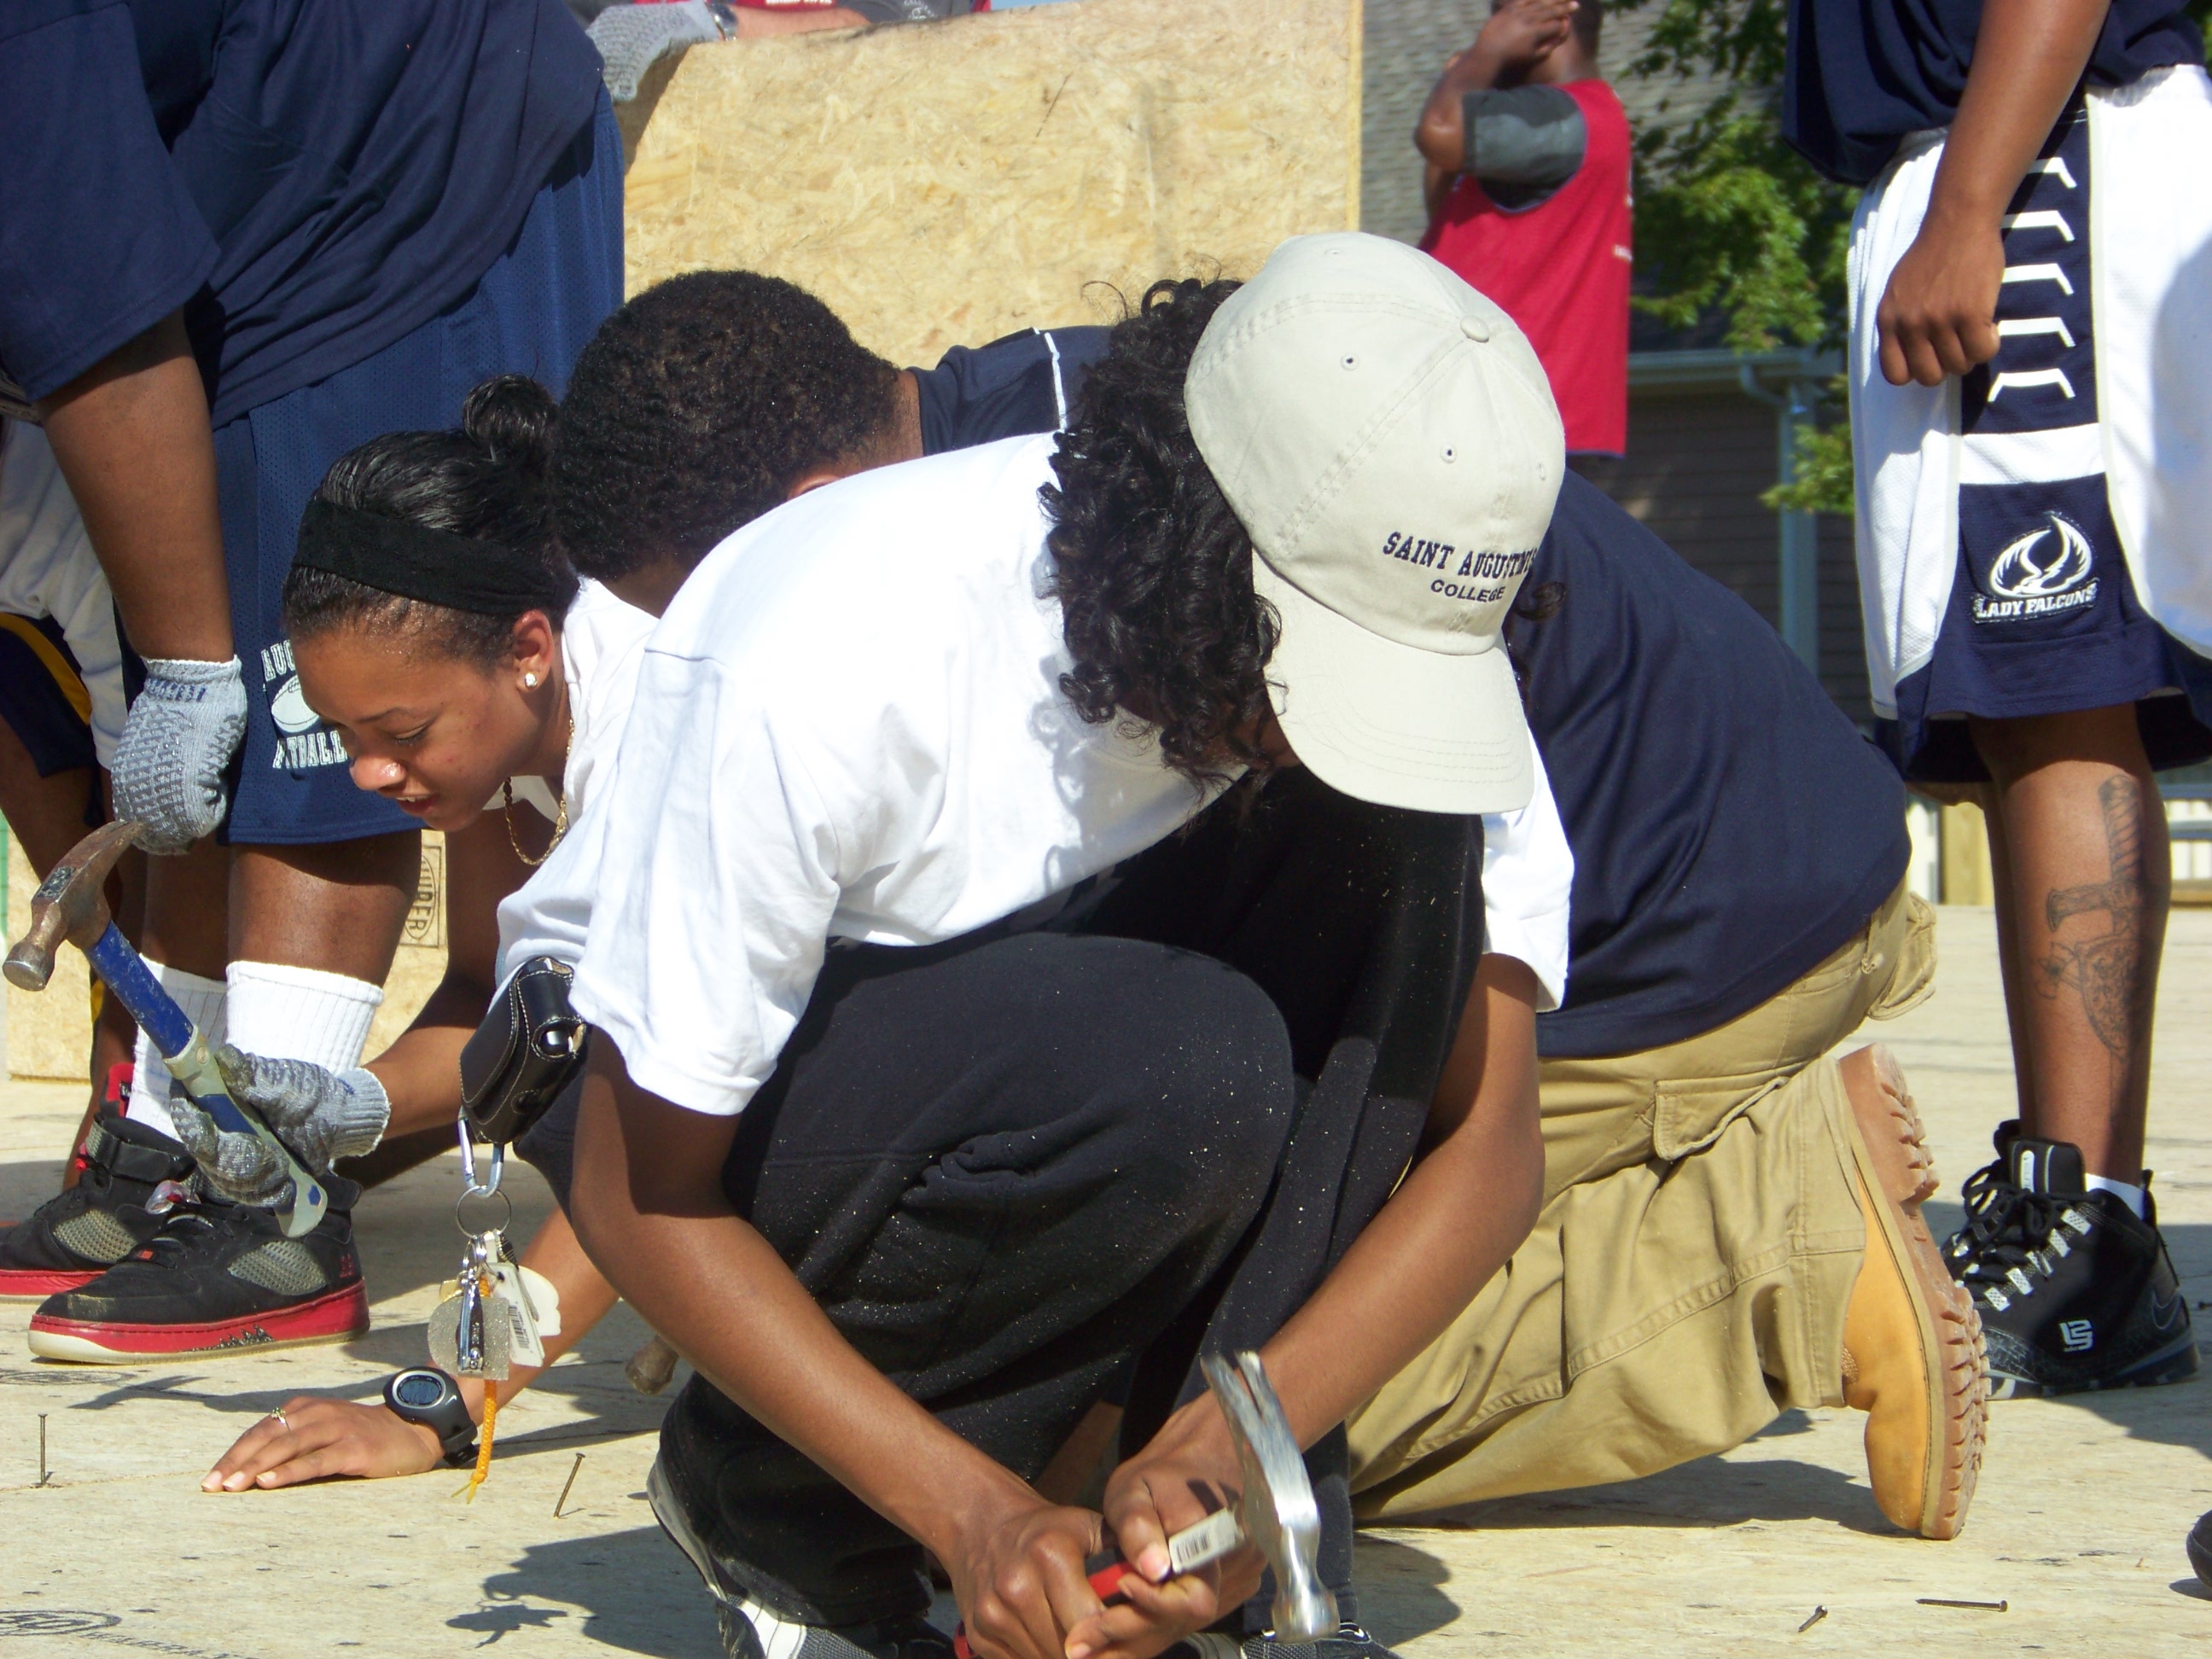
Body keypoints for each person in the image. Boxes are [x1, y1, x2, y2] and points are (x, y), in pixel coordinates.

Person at [0, 0, 625, 1358]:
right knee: (230, 620)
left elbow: (100, 317)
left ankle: (271, 1201)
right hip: (275, 159)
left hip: (410, 150)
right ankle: (189, 1136)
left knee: (308, 654)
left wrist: (183, 662)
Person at [1783, 0, 2204, 1396]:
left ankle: (2093, 1246)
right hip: (1995, 158)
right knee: (2009, 708)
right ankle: (2066, 1198)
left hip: (2035, 168)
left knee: (2062, 686)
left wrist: (1972, 203)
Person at [1415, 0, 1632, 457]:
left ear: (1554, 23)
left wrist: (1489, 49)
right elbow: (1445, 197)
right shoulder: (1574, 118)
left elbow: (1439, 130)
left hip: (1511, 434)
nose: (1493, 28)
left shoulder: (1561, 116)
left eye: (1506, 14)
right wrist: (1475, 74)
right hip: (1514, 425)